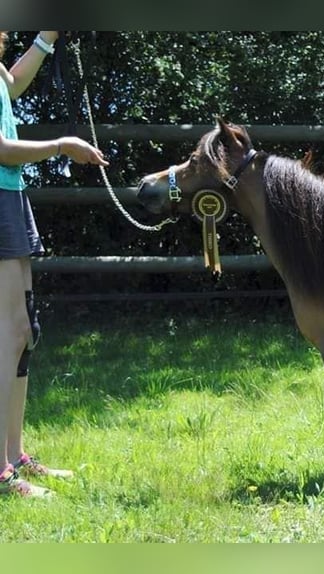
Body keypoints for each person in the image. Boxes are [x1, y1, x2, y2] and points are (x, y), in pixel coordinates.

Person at [0, 31, 108, 497]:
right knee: (7, 334)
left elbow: (12, 83)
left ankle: (14, 455)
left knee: (23, 332)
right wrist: (61, 145)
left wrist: (45, 38)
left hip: (10, 193)